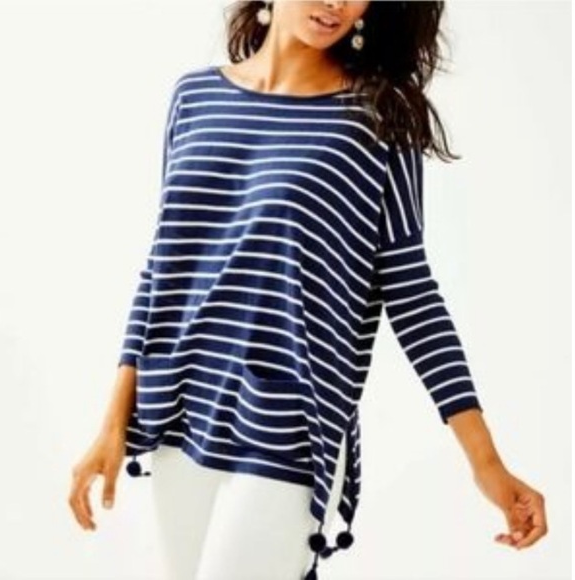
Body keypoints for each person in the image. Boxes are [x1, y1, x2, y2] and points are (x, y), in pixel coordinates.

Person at [68, 1, 548, 579]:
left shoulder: (378, 117)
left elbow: (412, 290)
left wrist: (486, 462)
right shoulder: (194, 98)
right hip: (179, 410)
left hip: (291, 421)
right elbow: (163, 267)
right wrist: (112, 424)